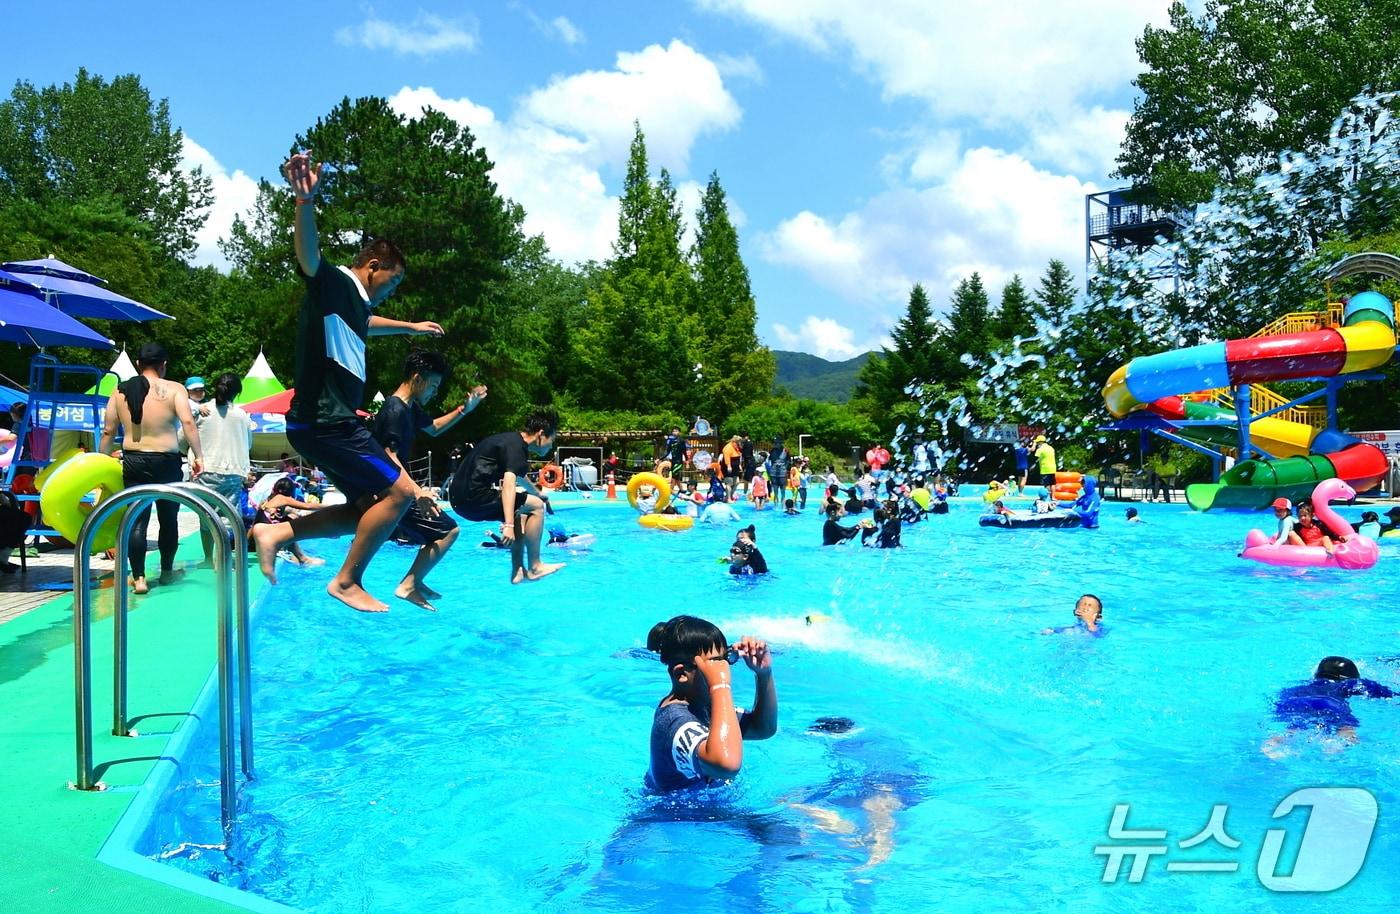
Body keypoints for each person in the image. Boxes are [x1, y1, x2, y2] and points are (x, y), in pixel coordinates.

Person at [252, 151, 445, 613]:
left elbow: (368, 321)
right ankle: (346, 581)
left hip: (323, 423)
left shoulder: (352, 306)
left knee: (367, 508)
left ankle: (277, 531)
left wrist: (410, 327)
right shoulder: (336, 282)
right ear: (374, 264)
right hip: (329, 421)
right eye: (391, 282)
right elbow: (310, 258)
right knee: (400, 494)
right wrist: (304, 202)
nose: (389, 290)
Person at [372, 349, 486, 610]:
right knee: (448, 530)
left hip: (395, 486)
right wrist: (417, 491)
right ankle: (409, 584)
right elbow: (388, 455)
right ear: (416, 377)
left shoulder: (409, 408)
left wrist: (464, 410)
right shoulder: (394, 409)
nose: (435, 391)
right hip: (389, 489)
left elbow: (434, 428)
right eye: (433, 384)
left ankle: (415, 581)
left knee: (441, 530)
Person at [99, 342, 204, 595]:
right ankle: (167, 573)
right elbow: (188, 422)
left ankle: (140, 578)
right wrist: (198, 455)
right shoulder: (175, 389)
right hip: (166, 461)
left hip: (134, 461)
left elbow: (108, 431)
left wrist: (100, 462)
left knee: (136, 521)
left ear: (137, 364)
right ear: (163, 365)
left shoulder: (119, 391)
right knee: (168, 519)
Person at [644, 615, 776, 792]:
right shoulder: (674, 723)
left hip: (704, 814)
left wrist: (764, 674)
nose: (724, 669)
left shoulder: (703, 706)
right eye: (715, 664)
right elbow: (726, 766)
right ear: (682, 674)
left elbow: (762, 728)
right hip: (674, 818)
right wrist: (720, 685)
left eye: (726, 659)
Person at [448, 408, 564, 584]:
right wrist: (508, 524)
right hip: (472, 497)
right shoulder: (516, 447)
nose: (551, 446)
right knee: (536, 507)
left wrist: (537, 493)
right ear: (541, 434)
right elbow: (509, 484)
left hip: (460, 500)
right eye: (552, 440)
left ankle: (518, 571)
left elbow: (519, 476)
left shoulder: (511, 441)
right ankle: (535, 566)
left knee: (522, 510)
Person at [1265, 656, 1396, 757]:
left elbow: (1281, 697)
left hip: (1295, 703)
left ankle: (1275, 742)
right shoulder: (1350, 683)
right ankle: (1334, 749)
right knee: (1345, 728)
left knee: (1294, 728)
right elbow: (1384, 693)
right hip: (1329, 703)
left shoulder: (1297, 687)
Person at [194, 373, 253, 567]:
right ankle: (225, 559)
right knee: (230, 517)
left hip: (205, 470)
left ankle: (208, 558)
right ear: (237, 392)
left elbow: (182, 439)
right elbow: (249, 443)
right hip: (233, 471)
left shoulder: (202, 412)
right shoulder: (242, 415)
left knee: (206, 514)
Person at [253, 477, 325, 566]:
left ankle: (289, 552)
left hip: (259, 538)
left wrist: (246, 544)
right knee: (290, 527)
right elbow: (308, 506)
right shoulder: (282, 498)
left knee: (289, 519)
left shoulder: (267, 500)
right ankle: (303, 559)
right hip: (269, 537)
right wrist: (333, 507)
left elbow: (255, 524)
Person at [720, 436, 743, 501]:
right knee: (729, 483)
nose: (739, 444)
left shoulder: (736, 447)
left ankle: (729, 496)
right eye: (738, 443)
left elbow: (738, 457)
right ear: (734, 442)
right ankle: (728, 499)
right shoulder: (727, 448)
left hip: (735, 467)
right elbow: (727, 458)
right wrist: (728, 466)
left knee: (737, 482)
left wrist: (739, 465)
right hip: (728, 468)